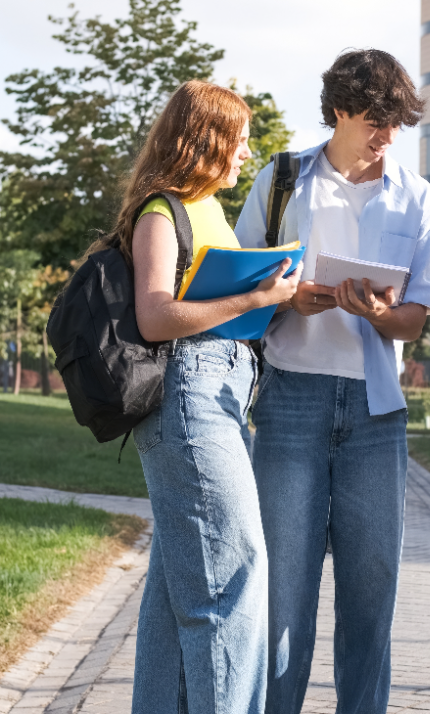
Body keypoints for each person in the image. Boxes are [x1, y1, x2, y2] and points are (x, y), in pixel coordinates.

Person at [234, 49, 430, 714]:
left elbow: (418, 318)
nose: (388, 135)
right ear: (338, 111)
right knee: (284, 598)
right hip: (291, 400)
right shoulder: (280, 181)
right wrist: (287, 299)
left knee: (370, 592)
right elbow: (240, 285)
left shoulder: (419, 198)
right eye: (376, 120)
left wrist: (383, 314)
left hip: (375, 415)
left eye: (396, 123)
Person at [120, 80, 299, 714]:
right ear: (207, 141)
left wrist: (276, 296)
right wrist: (254, 298)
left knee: (177, 594)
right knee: (232, 581)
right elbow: (156, 316)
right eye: (240, 141)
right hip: (190, 401)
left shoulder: (211, 211)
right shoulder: (160, 212)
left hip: (222, 394)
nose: (247, 154)